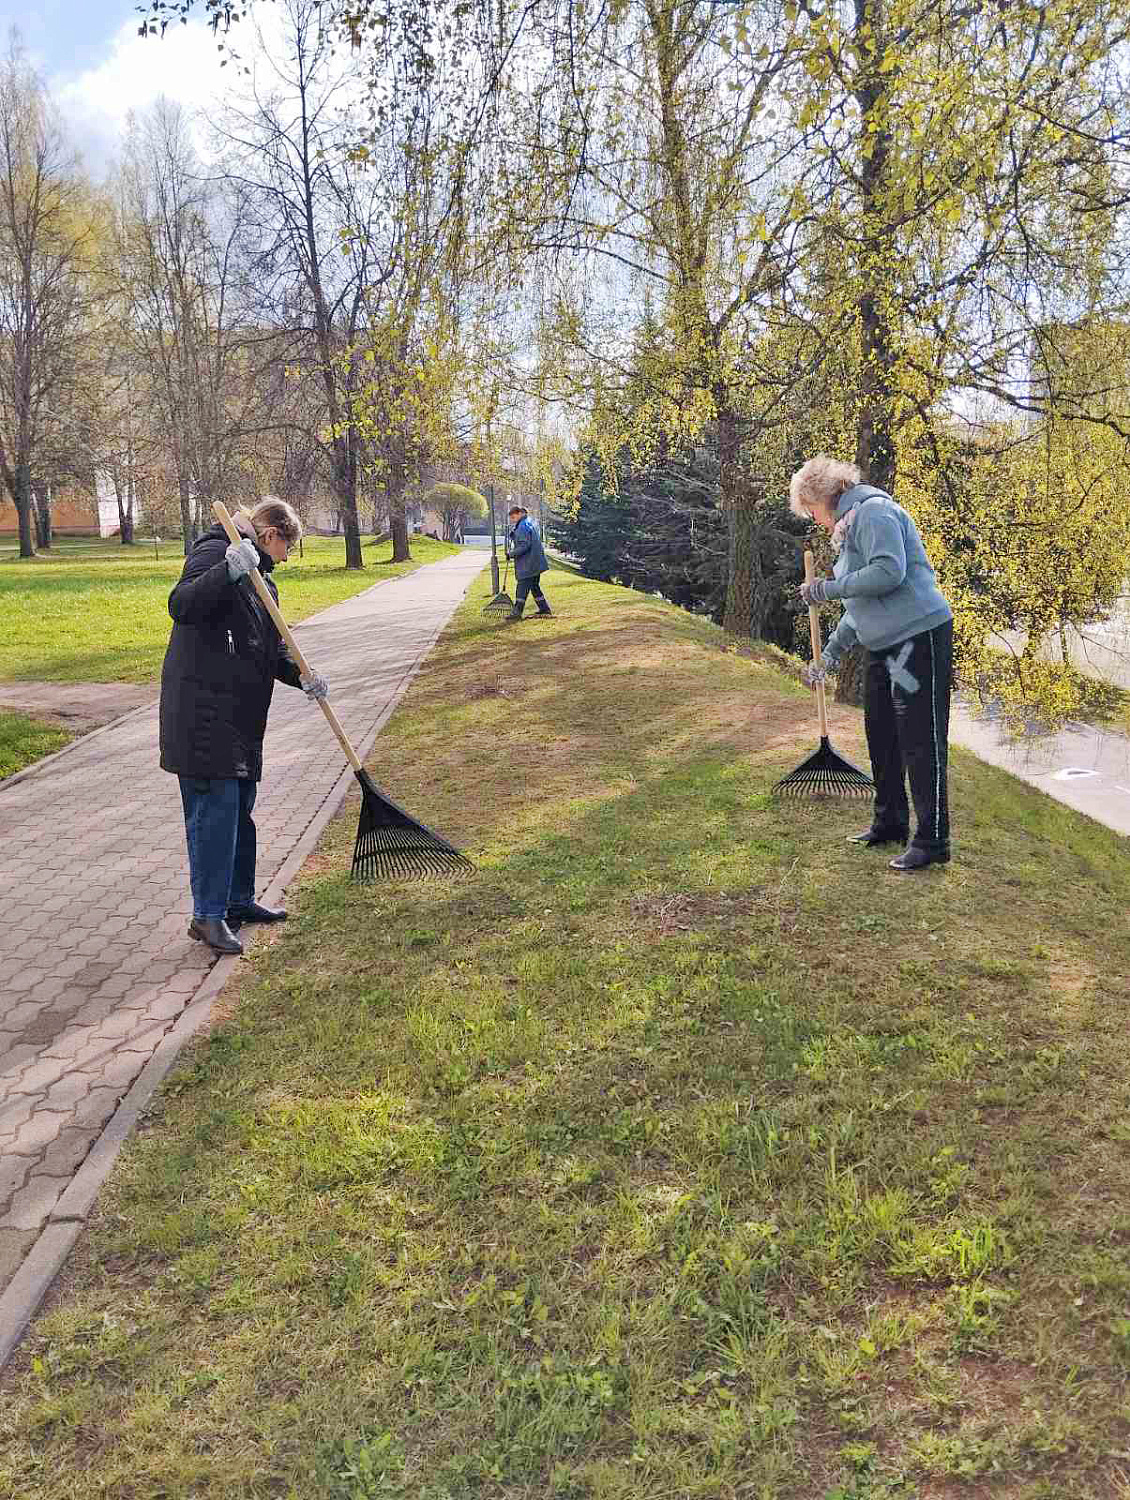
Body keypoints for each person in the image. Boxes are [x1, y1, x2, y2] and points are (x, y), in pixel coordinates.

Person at [159, 498, 328, 954]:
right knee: (214, 819)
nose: (287, 558)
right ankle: (207, 917)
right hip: (202, 718)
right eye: (288, 546)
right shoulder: (215, 552)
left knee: (239, 815)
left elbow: (270, 650)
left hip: (240, 722)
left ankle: (237, 901)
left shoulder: (264, 584)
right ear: (271, 533)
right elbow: (182, 604)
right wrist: (228, 570)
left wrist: (303, 677)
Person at [790, 456, 954, 872]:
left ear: (821, 498)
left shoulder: (874, 511)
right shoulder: (848, 529)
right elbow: (858, 605)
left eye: (810, 511)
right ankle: (890, 823)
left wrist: (826, 588)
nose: (814, 520)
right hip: (884, 645)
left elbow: (888, 573)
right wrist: (827, 656)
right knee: (881, 732)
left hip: (917, 638)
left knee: (921, 739)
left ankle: (933, 840)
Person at [504, 505, 552, 620]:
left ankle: (517, 612)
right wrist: (514, 535)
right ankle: (544, 609)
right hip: (536, 562)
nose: (513, 520)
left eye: (513, 517)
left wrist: (511, 554)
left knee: (522, 586)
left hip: (528, 564)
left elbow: (524, 545)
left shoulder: (522, 526)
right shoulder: (529, 522)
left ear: (519, 514)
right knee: (534, 586)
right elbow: (526, 539)